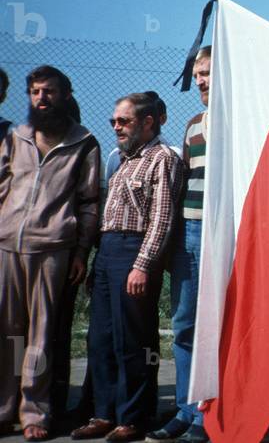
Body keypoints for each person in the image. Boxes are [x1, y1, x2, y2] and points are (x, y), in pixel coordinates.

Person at [72, 92, 185, 442]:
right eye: (114, 121)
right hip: (108, 251)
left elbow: (162, 219)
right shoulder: (121, 159)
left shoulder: (163, 159)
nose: (116, 127)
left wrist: (143, 265)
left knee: (133, 339)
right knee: (101, 338)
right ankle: (103, 413)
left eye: (124, 121)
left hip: (134, 252)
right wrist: (97, 264)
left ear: (148, 122)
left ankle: (133, 417)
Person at [0, 66, 101, 441]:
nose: (42, 98)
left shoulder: (84, 143)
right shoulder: (16, 136)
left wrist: (81, 251)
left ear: (65, 95)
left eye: (50, 92)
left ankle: (34, 412)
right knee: (6, 332)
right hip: (7, 244)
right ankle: (3, 408)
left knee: (40, 334)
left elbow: (89, 203)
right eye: (35, 92)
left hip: (52, 248)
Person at [145, 47, 212, 443]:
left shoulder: (246, 121)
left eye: (208, 72)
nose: (201, 80)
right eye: (198, 74)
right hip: (189, 232)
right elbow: (183, 182)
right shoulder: (192, 125)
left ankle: (209, 417)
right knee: (184, 323)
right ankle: (186, 411)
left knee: (216, 327)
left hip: (225, 235)